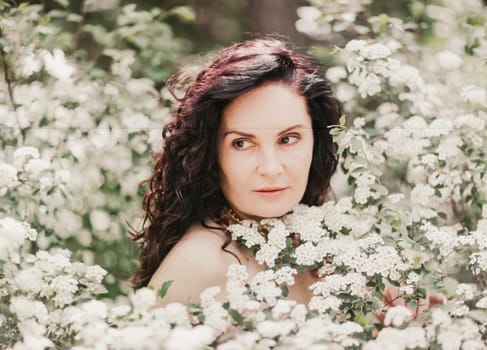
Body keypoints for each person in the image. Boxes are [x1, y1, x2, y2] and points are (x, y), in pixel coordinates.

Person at [130, 37, 341, 305]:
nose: (271, 168)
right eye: (242, 143)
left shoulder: (323, 244)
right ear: (211, 153)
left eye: (288, 139)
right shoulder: (198, 265)